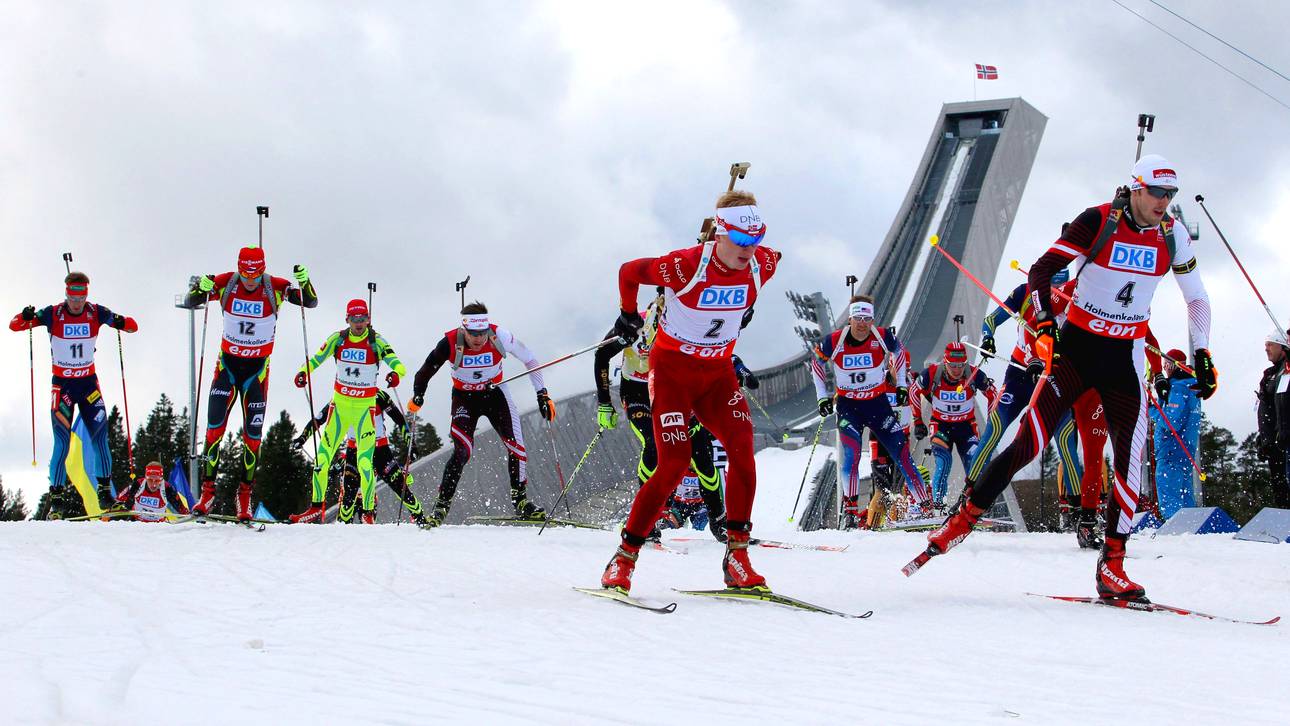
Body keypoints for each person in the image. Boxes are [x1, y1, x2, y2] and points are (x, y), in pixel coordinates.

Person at [922, 155, 1216, 603]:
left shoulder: (1173, 235)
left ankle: (1113, 564)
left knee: (1129, 459)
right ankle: (962, 520)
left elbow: (1197, 298)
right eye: (1157, 192)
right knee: (1027, 443)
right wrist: (1043, 323)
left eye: (1170, 194)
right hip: (1077, 352)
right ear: (1136, 188)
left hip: (1125, 357)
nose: (1164, 202)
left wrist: (1203, 353)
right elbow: (1040, 270)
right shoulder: (1097, 220)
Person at [601, 190, 779, 594]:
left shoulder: (762, 264)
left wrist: (745, 308)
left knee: (742, 450)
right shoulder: (685, 265)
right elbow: (629, 271)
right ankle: (624, 557)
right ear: (720, 233)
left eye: (756, 238)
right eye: (740, 239)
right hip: (673, 374)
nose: (749, 249)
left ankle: (737, 557)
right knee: (673, 463)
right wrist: (627, 313)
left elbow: (768, 261)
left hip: (717, 375)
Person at [592, 288, 748, 542]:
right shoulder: (638, 324)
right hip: (638, 392)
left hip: (674, 391)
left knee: (702, 458)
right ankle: (644, 520)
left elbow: (714, 350)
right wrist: (604, 403)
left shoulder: (691, 323)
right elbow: (601, 354)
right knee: (654, 446)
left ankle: (719, 521)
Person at [184, 245, 316, 520]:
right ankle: (208, 494)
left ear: (263, 270)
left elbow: (310, 302)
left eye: (255, 275)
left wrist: (305, 282)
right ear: (239, 270)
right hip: (227, 369)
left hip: (257, 373)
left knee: (252, 438)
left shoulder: (273, 286)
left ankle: (244, 495)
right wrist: (200, 288)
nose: (250, 280)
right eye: (246, 275)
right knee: (214, 430)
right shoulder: (226, 283)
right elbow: (190, 300)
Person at [408, 301, 555, 525]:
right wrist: (419, 394)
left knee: (517, 447)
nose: (478, 339)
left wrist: (542, 393)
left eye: (482, 333)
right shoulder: (449, 342)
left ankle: (521, 502)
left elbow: (530, 358)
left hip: (496, 394)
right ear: (464, 330)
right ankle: (441, 507)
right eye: (473, 334)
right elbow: (426, 370)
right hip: (464, 398)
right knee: (462, 451)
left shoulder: (500, 336)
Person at [9, 271, 138, 515]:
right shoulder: (53, 313)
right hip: (63, 387)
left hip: (89, 386)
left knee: (100, 438)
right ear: (66, 294)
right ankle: (56, 499)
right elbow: (15, 325)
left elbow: (133, 326)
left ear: (86, 294)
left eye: (81, 296)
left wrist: (121, 321)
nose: (77, 302)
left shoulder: (96, 312)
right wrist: (25, 316)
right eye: (72, 296)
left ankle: (105, 495)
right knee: (62, 441)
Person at [968, 268, 1083, 516]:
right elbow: (991, 320)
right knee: (994, 430)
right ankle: (968, 495)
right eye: (1051, 289)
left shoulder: (1075, 298)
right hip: (1021, 374)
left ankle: (1079, 510)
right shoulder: (1025, 292)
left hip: (1054, 377)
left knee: (1066, 441)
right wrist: (988, 339)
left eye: (1059, 289)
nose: (1054, 295)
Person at [810, 295, 931, 520]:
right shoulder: (835, 340)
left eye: (867, 319)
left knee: (903, 454)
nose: (862, 323)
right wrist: (822, 397)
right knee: (852, 456)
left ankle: (925, 506)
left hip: (877, 406)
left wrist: (901, 384)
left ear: (872, 320)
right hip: (849, 408)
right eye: (858, 318)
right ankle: (850, 512)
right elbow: (816, 363)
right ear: (850, 319)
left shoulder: (882, 336)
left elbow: (900, 352)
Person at [289, 298, 406, 524]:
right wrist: (303, 372)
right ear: (347, 319)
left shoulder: (376, 341)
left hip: (363, 411)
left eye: (362, 319)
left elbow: (397, 363)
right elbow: (317, 359)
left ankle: (368, 512)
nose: (359, 323)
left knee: (364, 464)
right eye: (354, 319)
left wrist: (395, 374)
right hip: (340, 409)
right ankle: (315, 508)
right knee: (322, 460)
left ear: (368, 319)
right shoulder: (338, 339)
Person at [295, 389, 430, 525]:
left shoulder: (379, 395)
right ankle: (342, 529)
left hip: (380, 450)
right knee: (348, 497)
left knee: (400, 487)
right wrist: (302, 437)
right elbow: (319, 419)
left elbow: (399, 419)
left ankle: (420, 519)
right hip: (354, 451)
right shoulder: (343, 395)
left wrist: (411, 444)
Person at [911, 342, 996, 511]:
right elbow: (913, 392)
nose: (957, 370)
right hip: (941, 427)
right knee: (944, 461)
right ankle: (938, 506)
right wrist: (918, 421)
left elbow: (993, 394)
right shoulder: (932, 373)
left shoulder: (974, 374)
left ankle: (975, 506)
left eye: (961, 365)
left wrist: (991, 422)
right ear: (945, 362)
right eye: (953, 365)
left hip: (967, 428)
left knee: (975, 463)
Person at [1150, 349, 1200, 519]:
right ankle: (1189, 525)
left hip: (1171, 449)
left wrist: (1151, 410)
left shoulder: (1178, 387)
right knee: (1185, 494)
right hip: (1185, 448)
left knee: (1170, 493)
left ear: (1171, 365)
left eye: (1165, 365)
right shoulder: (1190, 386)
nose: (1164, 369)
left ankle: (1174, 527)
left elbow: (1171, 422)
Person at [1256, 330, 1290, 508]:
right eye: (1265, 345)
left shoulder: (1287, 370)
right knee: (1279, 489)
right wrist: (1263, 438)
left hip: (1285, 438)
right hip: (1273, 441)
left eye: (1270, 345)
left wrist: (1283, 431)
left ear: (1282, 347)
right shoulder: (1269, 374)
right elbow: (1266, 407)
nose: (1266, 348)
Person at [113, 461, 190, 522]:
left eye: (157, 480)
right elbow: (118, 502)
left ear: (161, 479)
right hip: (136, 523)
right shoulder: (137, 484)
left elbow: (181, 509)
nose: (154, 484)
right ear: (146, 478)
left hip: (158, 526)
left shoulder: (167, 488)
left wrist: (190, 514)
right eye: (150, 480)